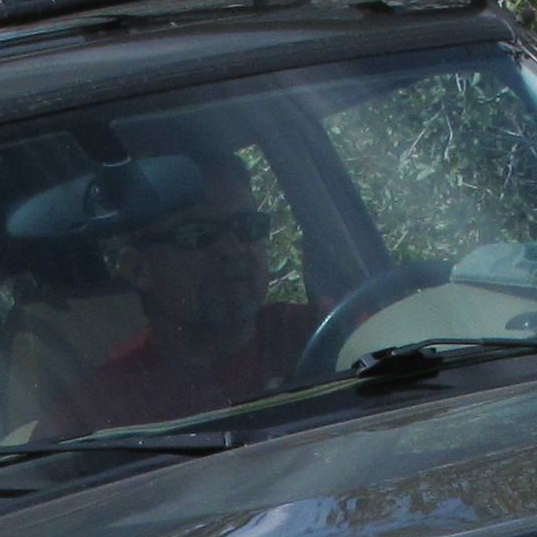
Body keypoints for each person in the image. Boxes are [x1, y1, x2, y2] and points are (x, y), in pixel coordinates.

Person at [26, 151, 322, 438]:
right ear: (138, 269)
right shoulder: (97, 412)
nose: (232, 249)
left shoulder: (316, 334)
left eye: (247, 225)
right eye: (196, 234)